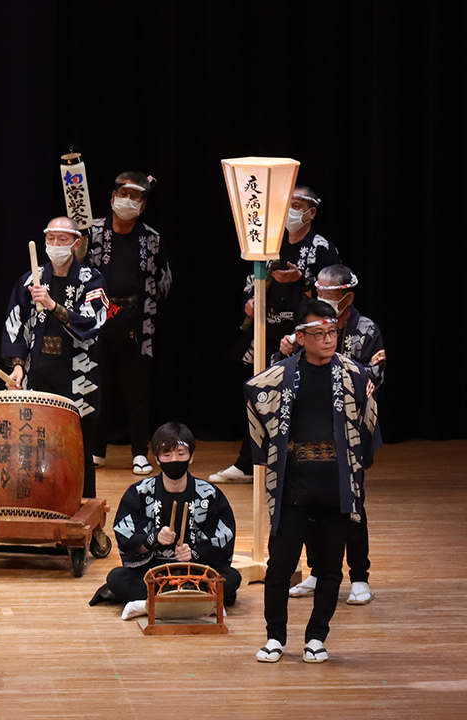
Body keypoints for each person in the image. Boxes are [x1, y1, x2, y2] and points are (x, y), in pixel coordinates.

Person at [246, 300, 379, 664]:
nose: (327, 340)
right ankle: (275, 637)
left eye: (332, 332)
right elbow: (253, 390)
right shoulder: (283, 373)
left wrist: (356, 459)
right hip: (294, 485)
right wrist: (272, 449)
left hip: (336, 483)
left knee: (331, 569)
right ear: (301, 337)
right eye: (318, 334)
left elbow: (368, 417)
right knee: (279, 568)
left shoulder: (353, 374)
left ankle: (317, 637)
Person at [212, 186, 340, 483]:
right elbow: (250, 281)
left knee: (292, 400)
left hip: (301, 336)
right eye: (288, 204)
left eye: (298, 205)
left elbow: (329, 296)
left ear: (311, 211)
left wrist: (301, 279)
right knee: (257, 394)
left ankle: (286, 464)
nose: (292, 211)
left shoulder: (321, 247)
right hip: (266, 329)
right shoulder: (272, 243)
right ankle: (248, 464)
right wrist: (250, 300)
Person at [279, 265, 386, 605]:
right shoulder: (305, 328)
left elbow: (374, 376)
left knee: (350, 501)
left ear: (347, 297)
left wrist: (326, 357)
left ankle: (359, 576)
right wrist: (288, 351)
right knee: (310, 503)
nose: (320, 298)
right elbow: (280, 377)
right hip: (307, 430)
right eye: (318, 292)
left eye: (329, 294)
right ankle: (316, 570)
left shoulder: (365, 330)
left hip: (349, 431)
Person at [90, 422, 240, 620]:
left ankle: (152, 603)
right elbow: (129, 541)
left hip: (196, 573)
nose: (174, 460)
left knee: (232, 577)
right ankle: (197, 602)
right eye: (167, 455)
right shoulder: (140, 493)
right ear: (158, 459)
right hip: (153, 574)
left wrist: (194, 554)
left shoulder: (209, 494)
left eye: (181, 454)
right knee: (117, 578)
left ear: (191, 456)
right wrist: (154, 539)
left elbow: (222, 539)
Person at [3, 216, 107, 498]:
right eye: (51, 239)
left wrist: (51, 305)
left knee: (78, 451)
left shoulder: (91, 280)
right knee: (35, 447)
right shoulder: (31, 279)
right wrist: (17, 367)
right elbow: (16, 325)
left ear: (75, 244)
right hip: (39, 375)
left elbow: (92, 324)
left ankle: (83, 507)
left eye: (63, 240)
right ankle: (39, 504)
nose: (56, 245)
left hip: (77, 377)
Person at [82, 172, 172, 475]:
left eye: (136, 197)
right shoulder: (92, 232)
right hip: (97, 318)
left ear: (143, 205)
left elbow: (164, 281)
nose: (128, 201)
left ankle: (138, 452)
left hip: (136, 318)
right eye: (124, 194)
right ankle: (96, 450)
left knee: (137, 392)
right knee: (97, 385)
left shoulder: (151, 237)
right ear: (112, 198)